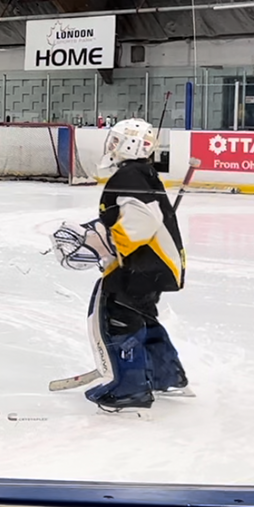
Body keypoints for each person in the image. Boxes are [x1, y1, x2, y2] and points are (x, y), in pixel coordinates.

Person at [52, 119, 189, 413]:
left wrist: (111, 244)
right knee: (142, 315)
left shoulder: (130, 176)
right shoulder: (140, 173)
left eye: (117, 140)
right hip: (157, 264)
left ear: (131, 144)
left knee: (118, 317)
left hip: (145, 264)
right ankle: (166, 375)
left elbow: (142, 221)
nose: (112, 145)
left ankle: (130, 389)